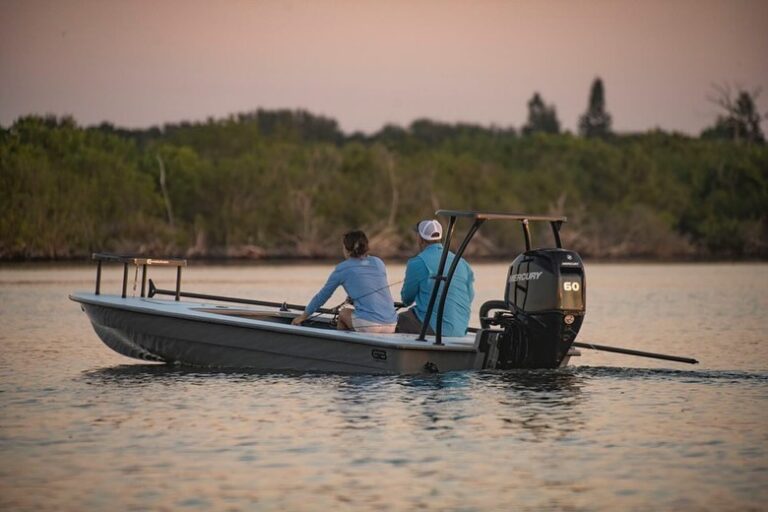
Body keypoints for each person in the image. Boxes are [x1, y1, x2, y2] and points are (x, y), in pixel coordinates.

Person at [292, 230, 397, 333]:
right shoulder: (378, 262)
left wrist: (302, 317)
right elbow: (371, 286)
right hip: (391, 325)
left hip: (369, 325)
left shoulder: (342, 268)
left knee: (343, 313)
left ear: (347, 250)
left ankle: (339, 347)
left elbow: (322, 296)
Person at [397, 219, 474, 337]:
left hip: (434, 328)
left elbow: (407, 298)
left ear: (420, 238)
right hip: (460, 329)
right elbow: (470, 296)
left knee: (395, 321)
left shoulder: (417, 262)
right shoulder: (462, 262)